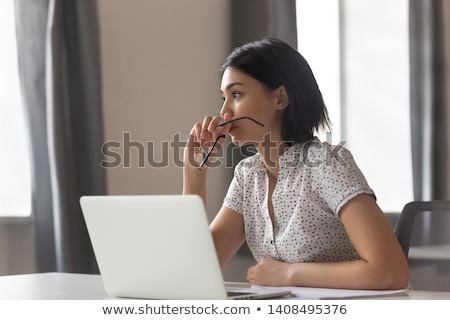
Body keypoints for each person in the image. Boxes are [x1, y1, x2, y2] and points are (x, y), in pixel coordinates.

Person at [183, 37, 409, 290]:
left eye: (236, 94)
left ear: (280, 98)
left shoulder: (327, 164)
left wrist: (289, 274)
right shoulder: (247, 176)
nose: (225, 112)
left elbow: (390, 273)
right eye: (223, 97)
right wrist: (194, 171)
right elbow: (197, 269)